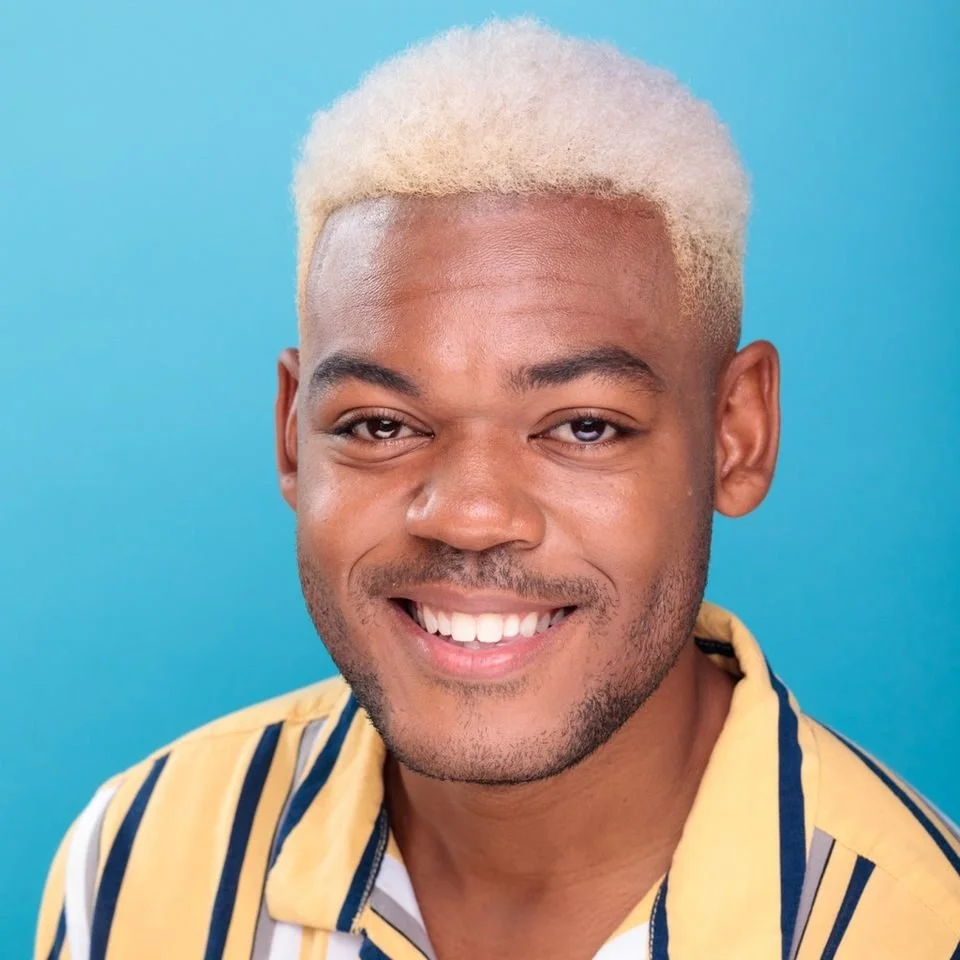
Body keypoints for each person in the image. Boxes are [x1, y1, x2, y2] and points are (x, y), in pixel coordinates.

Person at [35, 19, 960, 960]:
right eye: (380, 425)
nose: (471, 517)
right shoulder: (129, 864)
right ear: (291, 434)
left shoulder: (921, 929)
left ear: (736, 435)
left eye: (584, 426)